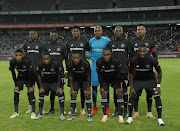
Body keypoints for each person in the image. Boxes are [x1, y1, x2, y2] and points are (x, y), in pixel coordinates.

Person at [125, 45, 165, 126]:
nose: (142, 53)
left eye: (144, 51)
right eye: (140, 51)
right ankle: (130, 117)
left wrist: (158, 86)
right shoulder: (133, 60)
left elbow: (159, 72)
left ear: (147, 52)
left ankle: (160, 119)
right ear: (138, 52)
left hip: (150, 80)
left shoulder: (152, 60)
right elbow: (131, 74)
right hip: (138, 80)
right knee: (132, 96)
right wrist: (131, 87)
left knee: (157, 96)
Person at [129, 24, 158, 119]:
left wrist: (156, 70)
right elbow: (130, 57)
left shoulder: (150, 42)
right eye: (138, 29)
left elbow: (155, 55)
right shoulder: (132, 42)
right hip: (136, 71)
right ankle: (135, 112)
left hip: (148, 71)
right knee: (135, 94)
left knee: (149, 94)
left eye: (142, 29)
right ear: (136, 31)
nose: (140, 31)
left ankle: (149, 112)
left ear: (145, 31)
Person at [65, 26, 89, 115]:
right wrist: (67, 70)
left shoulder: (84, 42)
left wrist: (87, 57)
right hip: (72, 70)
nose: (75, 32)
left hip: (82, 70)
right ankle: (73, 108)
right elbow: (66, 56)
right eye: (73, 31)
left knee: (83, 90)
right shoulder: (68, 43)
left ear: (79, 32)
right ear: (72, 33)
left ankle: (82, 108)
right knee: (73, 90)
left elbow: (90, 51)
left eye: (76, 31)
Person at [87, 26, 111, 115]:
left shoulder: (107, 41)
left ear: (102, 32)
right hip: (94, 67)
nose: (97, 32)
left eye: (98, 31)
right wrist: (87, 56)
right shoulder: (91, 41)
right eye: (95, 31)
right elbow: (91, 52)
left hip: (105, 67)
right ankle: (94, 106)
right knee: (94, 87)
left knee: (105, 87)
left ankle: (107, 106)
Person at [96, 47, 123, 123]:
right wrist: (101, 86)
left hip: (115, 79)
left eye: (108, 55)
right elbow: (99, 74)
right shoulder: (99, 62)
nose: (106, 57)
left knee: (119, 94)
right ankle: (105, 116)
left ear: (111, 54)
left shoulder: (116, 61)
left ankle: (120, 116)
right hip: (105, 79)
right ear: (102, 55)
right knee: (104, 94)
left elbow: (119, 73)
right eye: (105, 55)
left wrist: (119, 86)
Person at [35, 52, 65, 120]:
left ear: (50, 58)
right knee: (41, 94)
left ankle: (62, 114)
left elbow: (59, 76)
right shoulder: (40, 64)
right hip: (45, 82)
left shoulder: (56, 63)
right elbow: (38, 75)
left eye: (47, 59)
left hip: (55, 82)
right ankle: (40, 114)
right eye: (44, 59)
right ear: (42, 59)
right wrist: (41, 87)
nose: (46, 61)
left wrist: (59, 87)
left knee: (60, 94)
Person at [108, 26, 129, 117]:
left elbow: (130, 56)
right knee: (115, 91)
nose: (118, 32)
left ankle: (125, 110)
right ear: (114, 32)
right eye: (117, 31)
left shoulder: (127, 43)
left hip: (124, 71)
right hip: (114, 72)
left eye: (120, 31)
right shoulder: (110, 43)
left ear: (122, 32)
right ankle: (117, 109)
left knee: (124, 91)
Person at [9, 49, 36, 119]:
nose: (18, 57)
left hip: (29, 78)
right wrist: (16, 84)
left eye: (20, 55)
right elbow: (13, 73)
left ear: (23, 55)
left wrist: (30, 85)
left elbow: (31, 74)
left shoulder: (27, 61)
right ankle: (16, 112)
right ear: (14, 55)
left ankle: (33, 112)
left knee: (31, 92)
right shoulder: (12, 62)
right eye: (16, 55)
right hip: (20, 78)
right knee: (16, 91)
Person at [23, 30, 45, 114]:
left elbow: (43, 58)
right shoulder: (26, 45)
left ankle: (41, 107)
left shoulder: (41, 45)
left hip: (38, 71)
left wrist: (42, 69)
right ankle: (31, 105)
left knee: (41, 89)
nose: (32, 35)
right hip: (29, 71)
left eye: (34, 34)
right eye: (31, 34)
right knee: (29, 89)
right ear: (29, 35)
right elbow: (24, 57)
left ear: (37, 35)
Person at [45, 31, 67, 114]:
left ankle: (63, 109)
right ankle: (52, 108)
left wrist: (67, 71)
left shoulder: (62, 47)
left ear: (58, 37)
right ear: (50, 37)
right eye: (52, 36)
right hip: (49, 73)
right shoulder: (47, 47)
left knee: (61, 90)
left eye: (55, 35)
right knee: (52, 91)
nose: (53, 37)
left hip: (60, 72)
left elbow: (66, 59)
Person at [66, 52, 92, 122]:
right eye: (74, 58)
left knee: (87, 95)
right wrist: (72, 89)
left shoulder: (86, 63)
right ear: (72, 58)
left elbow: (89, 76)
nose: (76, 60)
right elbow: (70, 76)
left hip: (84, 80)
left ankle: (89, 115)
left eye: (77, 58)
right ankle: (72, 115)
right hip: (75, 80)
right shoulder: (69, 64)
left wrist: (88, 88)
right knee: (73, 94)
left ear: (80, 58)